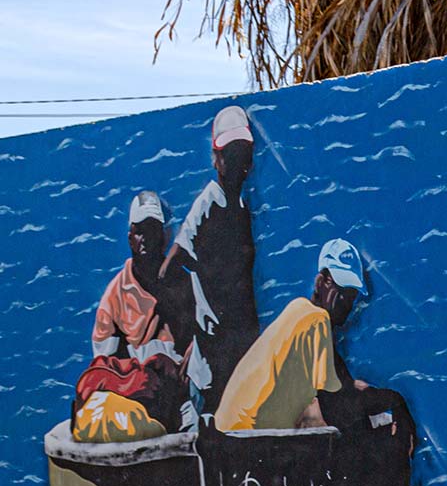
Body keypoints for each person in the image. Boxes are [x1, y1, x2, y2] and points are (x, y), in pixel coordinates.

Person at [213, 238, 391, 437]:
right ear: (320, 282)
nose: (346, 302)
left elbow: (342, 387)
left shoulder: (298, 314)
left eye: (351, 294)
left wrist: (384, 399)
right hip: (248, 439)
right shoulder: (317, 320)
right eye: (340, 290)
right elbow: (336, 405)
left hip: (227, 434)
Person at [71, 192, 189, 444]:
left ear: (166, 235)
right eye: (139, 231)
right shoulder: (114, 296)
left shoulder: (185, 284)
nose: (146, 238)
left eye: (153, 229)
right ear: (129, 238)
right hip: (141, 397)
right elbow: (104, 363)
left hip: (183, 391)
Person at [167, 105, 261, 402]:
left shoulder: (241, 209)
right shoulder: (206, 205)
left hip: (239, 353)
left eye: (243, 155)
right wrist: (193, 332)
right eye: (230, 156)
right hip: (211, 366)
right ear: (216, 159)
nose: (238, 165)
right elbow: (170, 270)